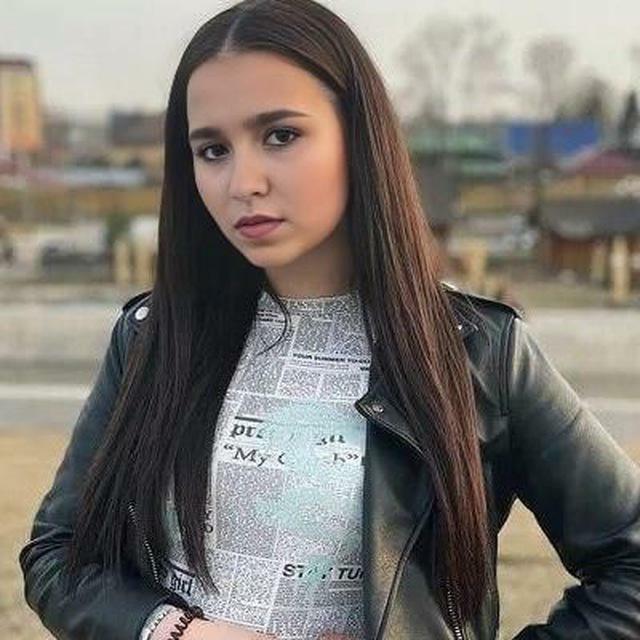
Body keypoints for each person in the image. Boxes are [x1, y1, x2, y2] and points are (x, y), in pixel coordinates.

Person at [18, 1, 640, 638]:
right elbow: (58, 555)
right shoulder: (153, 336)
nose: (243, 182)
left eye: (280, 136)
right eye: (212, 149)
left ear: (358, 137)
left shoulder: (478, 352)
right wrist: (177, 632)